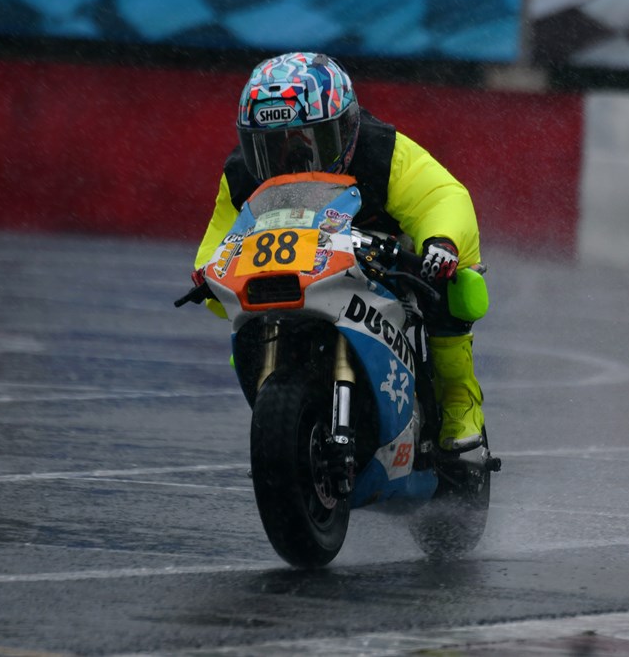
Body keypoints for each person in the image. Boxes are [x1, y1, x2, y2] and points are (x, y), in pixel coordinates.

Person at [192, 51, 485, 453]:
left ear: (347, 127)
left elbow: (441, 196)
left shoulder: (383, 150)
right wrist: (206, 271)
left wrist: (442, 241)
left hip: (384, 256)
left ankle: (458, 403)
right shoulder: (241, 173)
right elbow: (221, 237)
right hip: (295, 267)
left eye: (309, 144)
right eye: (270, 149)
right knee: (241, 316)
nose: (292, 165)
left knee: (456, 286)